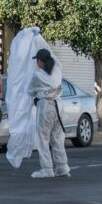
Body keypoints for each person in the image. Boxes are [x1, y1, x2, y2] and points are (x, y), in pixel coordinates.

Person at [29, 48, 71, 178]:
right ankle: (62, 167)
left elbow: (30, 91)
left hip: (46, 107)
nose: (36, 63)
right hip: (59, 105)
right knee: (57, 137)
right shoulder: (57, 70)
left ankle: (47, 169)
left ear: (41, 61)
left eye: (37, 60)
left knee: (43, 138)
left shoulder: (38, 75)